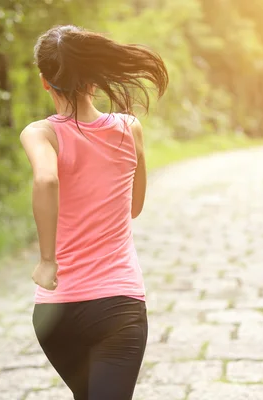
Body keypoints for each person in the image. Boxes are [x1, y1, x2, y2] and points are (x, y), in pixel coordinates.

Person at [19, 25, 168, 400]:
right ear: (93, 78)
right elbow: (134, 207)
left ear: (45, 82)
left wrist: (48, 261)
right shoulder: (128, 128)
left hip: (56, 316)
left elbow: (46, 179)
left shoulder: (40, 134)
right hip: (118, 308)